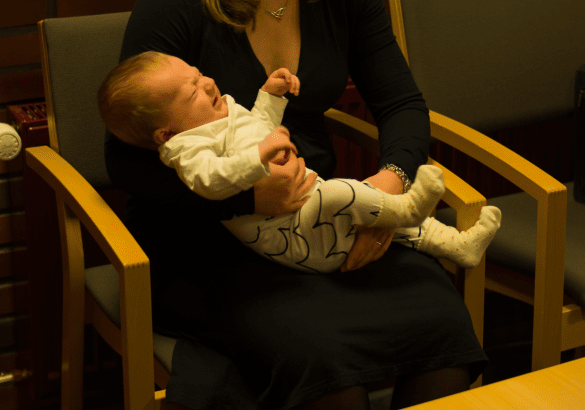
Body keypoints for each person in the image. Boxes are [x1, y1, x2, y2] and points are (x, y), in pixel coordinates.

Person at [104, 0, 489, 410]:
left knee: (444, 331)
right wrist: (246, 198)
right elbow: (128, 164)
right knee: (327, 370)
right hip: (211, 239)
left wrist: (389, 186)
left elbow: (401, 102)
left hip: (325, 215)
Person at [99, 51, 502, 272]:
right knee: (343, 194)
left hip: (305, 209)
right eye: (192, 93)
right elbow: (211, 180)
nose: (207, 83)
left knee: (364, 211)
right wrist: (259, 158)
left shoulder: (217, 114)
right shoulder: (186, 148)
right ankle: (406, 208)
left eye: (199, 74)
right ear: (166, 134)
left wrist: (270, 97)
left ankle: (456, 246)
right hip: (289, 236)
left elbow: (257, 127)